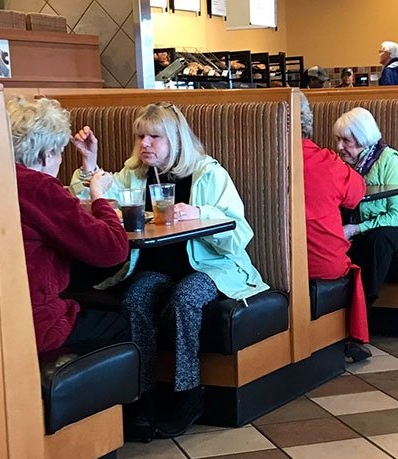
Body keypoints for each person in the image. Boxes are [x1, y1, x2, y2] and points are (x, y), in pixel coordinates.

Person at [70, 102, 269, 442]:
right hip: (157, 268)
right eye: (140, 137)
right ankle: (143, 397)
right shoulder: (135, 174)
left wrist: (200, 213)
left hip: (210, 267)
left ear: (175, 139)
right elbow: (100, 201)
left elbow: (239, 232)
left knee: (184, 299)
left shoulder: (208, 173)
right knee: (134, 300)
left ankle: (188, 395)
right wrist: (90, 163)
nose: (145, 144)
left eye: (154, 137)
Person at [9, 97, 130, 354]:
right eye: (61, 152)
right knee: (121, 324)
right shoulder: (38, 187)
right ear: (47, 155)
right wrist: (98, 195)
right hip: (35, 326)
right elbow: (113, 249)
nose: (60, 160)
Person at [299, 93, 370, 362]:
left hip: (263, 263)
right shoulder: (325, 161)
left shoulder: (255, 157)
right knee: (347, 260)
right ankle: (353, 337)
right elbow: (356, 194)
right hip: (319, 263)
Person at [334, 107, 398, 307]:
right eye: (338, 139)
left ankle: (365, 305)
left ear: (363, 138)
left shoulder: (389, 160)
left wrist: (356, 229)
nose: (339, 146)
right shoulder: (343, 164)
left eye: (346, 140)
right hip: (361, 228)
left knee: (377, 239)